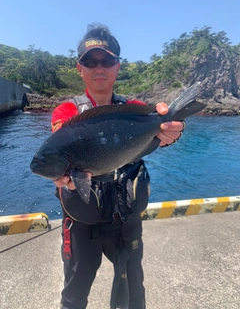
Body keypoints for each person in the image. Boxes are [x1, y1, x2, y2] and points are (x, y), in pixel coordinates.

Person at [52, 24, 185, 309]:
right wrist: (63, 174)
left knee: (133, 292)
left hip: (126, 220)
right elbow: (59, 146)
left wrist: (171, 132)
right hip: (80, 222)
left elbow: (157, 130)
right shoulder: (67, 113)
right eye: (91, 61)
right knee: (74, 296)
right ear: (80, 69)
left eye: (107, 61)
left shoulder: (134, 110)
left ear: (117, 67)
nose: (99, 68)